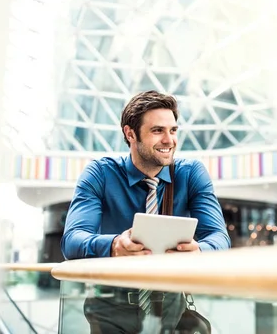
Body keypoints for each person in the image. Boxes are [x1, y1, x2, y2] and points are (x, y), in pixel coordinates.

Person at [61, 90, 231, 333]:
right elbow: (71, 241)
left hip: (170, 308)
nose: (169, 140)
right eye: (157, 130)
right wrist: (114, 246)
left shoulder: (191, 173)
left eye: (173, 130)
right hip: (109, 308)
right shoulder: (100, 173)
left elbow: (220, 238)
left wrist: (200, 250)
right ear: (130, 134)